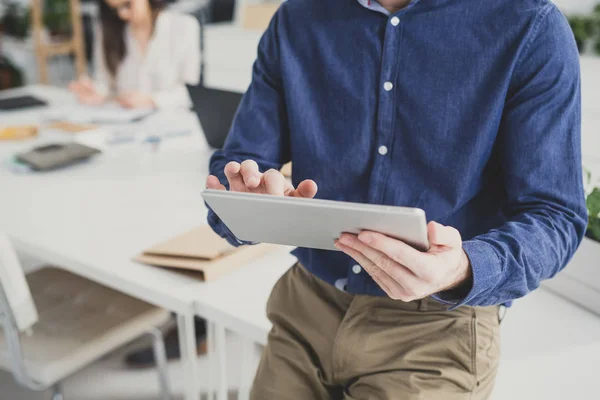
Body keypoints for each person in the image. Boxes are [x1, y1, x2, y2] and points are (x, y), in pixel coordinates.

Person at [206, 0, 587, 398]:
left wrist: (460, 268)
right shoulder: (298, 17)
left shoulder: (530, 26)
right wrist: (244, 195)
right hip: (306, 306)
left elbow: (555, 214)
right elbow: (238, 160)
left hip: (437, 330)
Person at [69, 0, 200, 109]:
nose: (122, 14)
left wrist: (152, 100)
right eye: (114, 10)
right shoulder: (109, 30)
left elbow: (192, 94)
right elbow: (105, 84)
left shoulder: (184, 26)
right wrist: (94, 90)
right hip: (123, 124)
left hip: (173, 122)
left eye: (127, 5)